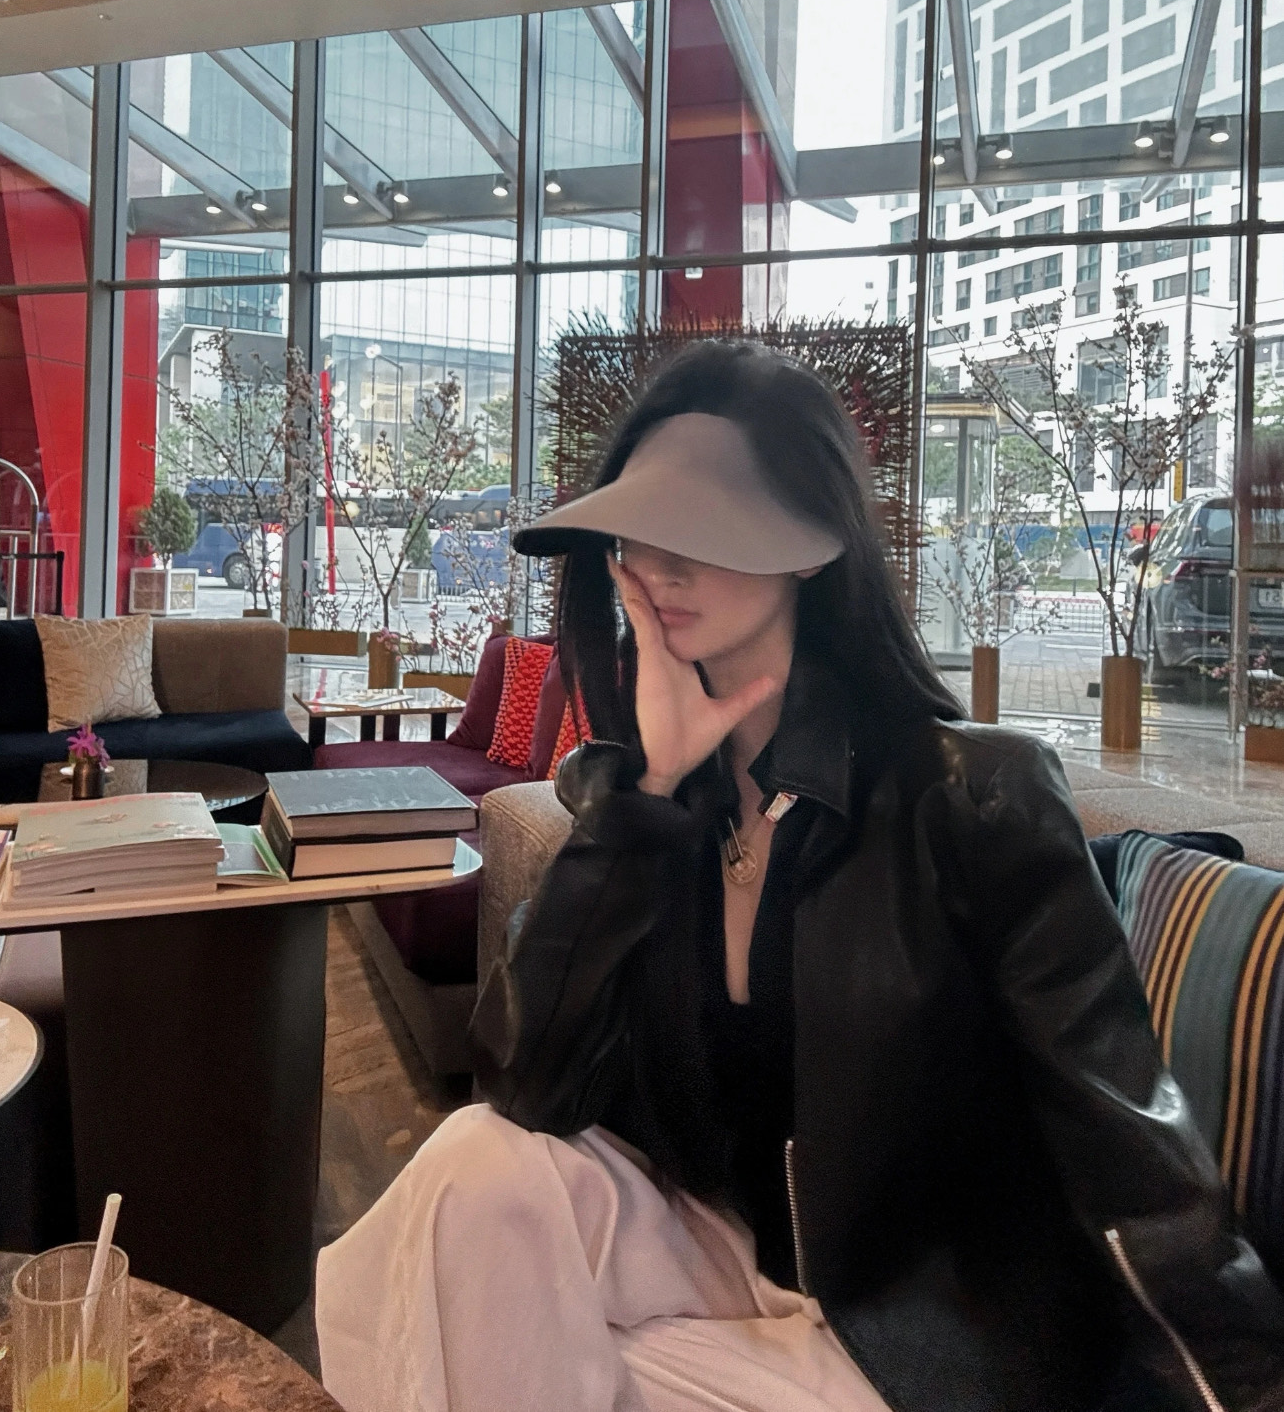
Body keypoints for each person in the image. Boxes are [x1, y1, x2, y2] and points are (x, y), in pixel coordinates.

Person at [316, 342, 1284, 1412]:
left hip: (913, 1317)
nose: (660, 566)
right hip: (714, 1247)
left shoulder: (973, 799)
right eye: (640, 531)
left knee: (479, 1347)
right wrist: (643, 802)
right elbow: (523, 1087)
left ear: (814, 549)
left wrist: (1237, 1390)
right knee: (473, 1173)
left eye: (705, 525)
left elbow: (1136, 1160)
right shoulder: (638, 794)